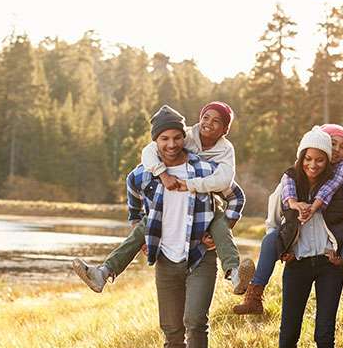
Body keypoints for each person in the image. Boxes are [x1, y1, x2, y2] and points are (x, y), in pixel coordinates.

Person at [123, 106, 246, 348]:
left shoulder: (203, 168)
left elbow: (236, 194)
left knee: (195, 322)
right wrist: (138, 226)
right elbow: (132, 193)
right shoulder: (146, 172)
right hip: (165, 257)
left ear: (183, 138)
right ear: (155, 142)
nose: (172, 144)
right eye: (164, 138)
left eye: (177, 137)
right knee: (171, 329)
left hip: (199, 256)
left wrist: (221, 229)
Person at [72, 103, 254, 295]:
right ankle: (103, 273)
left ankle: (234, 274)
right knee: (145, 225)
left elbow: (227, 183)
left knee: (220, 225)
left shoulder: (225, 150)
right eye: (206, 117)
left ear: (225, 130)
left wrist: (225, 223)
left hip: (207, 205)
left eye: (217, 121)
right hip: (169, 209)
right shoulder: (186, 135)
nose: (208, 123)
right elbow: (149, 151)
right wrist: (162, 174)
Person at [265, 127, 343, 348]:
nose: (313, 164)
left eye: (321, 158)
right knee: (289, 329)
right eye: (309, 159)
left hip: (328, 267)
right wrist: (281, 249)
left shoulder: (342, 190)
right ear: (302, 157)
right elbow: (271, 224)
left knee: (324, 331)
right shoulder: (288, 186)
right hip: (297, 265)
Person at [233, 124, 343, 315]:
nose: (338, 150)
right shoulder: (292, 176)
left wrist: (315, 208)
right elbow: (275, 215)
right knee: (269, 240)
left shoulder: (341, 177)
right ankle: (253, 294)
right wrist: (285, 246)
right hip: (298, 247)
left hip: (335, 235)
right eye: (333, 144)